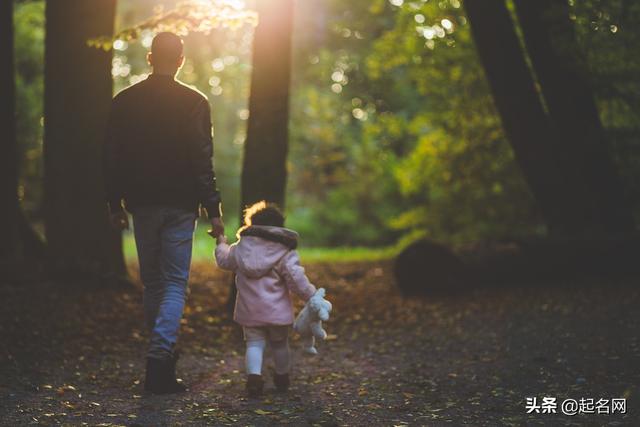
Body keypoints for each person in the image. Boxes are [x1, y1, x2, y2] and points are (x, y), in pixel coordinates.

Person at [104, 32, 224, 394]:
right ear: (182, 59)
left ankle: (162, 359)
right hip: (181, 204)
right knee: (173, 284)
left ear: (150, 58)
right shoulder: (194, 102)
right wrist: (213, 209)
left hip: (141, 204)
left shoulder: (125, 101)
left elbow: (113, 156)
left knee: (154, 284)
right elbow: (202, 158)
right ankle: (159, 362)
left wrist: (114, 203)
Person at [214, 201, 317, 398]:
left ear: (252, 224)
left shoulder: (241, 247)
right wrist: (311, 295)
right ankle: (282, 377)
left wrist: (220, 243)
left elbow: (224, 260)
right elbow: (296, 279)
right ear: (280, 226)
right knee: (280, 344)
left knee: (253, 344)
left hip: (249, 310)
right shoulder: (285, 251)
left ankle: (254, 378)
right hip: (277, 312)